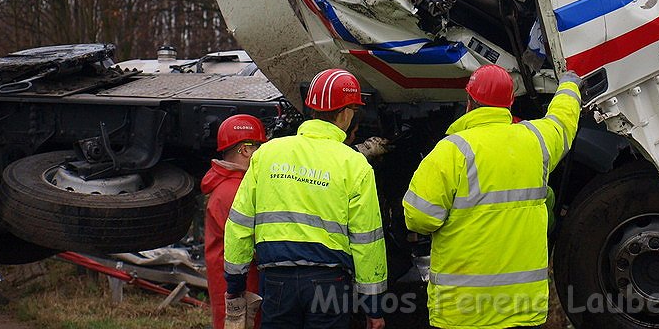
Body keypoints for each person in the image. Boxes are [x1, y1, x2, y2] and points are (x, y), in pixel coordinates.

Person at [403, 64, 582, 329]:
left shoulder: (451, 151)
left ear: (469, 102)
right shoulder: (536, 141)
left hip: (464, 311)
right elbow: (562, 122)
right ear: (509, 104)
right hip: (521, 308)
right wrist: (569, 84)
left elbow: (419, 218)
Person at [225, 69, 387, 329]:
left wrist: (235, 283)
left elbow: (239, 223)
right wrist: (373, 306)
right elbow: (367, 240)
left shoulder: (268, 154)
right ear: (346, 113)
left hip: (277, 279)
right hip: (330, 283)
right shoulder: (354, 164)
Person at [202, 114, 267, 329]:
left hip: (233, 286)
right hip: (240, 289)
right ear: (245, 150)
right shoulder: (234, 191)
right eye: (258, 147)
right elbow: (254, 245)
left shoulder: (227, 185)